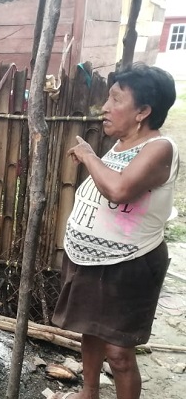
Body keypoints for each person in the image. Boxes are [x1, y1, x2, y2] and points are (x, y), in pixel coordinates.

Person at [51, 63, 179, 399]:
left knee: (120, 355)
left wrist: (89, 155)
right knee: (89, 331)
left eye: (116, 100)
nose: (105, 108)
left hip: (128, 264)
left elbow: (119, 190)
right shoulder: (122, 145)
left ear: (143, 111)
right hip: (90, 261)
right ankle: (89, 391)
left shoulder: (159, 148)